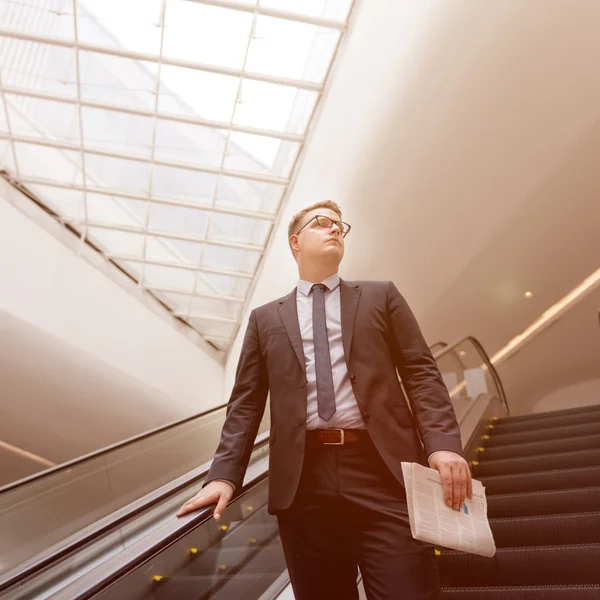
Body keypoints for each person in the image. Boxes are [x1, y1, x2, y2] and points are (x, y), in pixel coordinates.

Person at [177, 200, 472, 599]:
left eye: (340, 226)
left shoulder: (380, 296)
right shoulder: (265, 319)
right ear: (295, 242)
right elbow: (245, 404)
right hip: (303, 485)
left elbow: (421, 373)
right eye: (322, 223)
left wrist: (443, 446)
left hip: (383, 473)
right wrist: (224, 475)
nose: (335, 229)